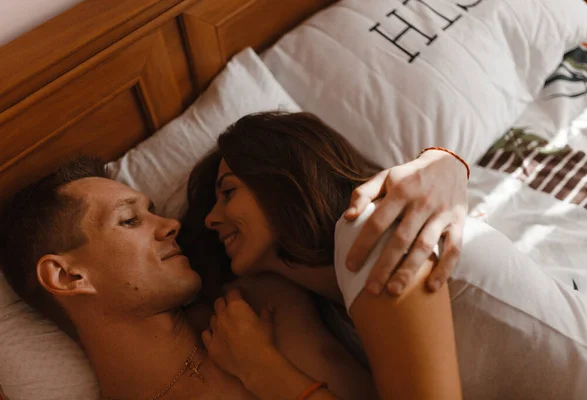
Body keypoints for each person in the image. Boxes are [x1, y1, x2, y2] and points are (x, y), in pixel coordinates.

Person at [0, 144, 467, 400]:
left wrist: (446, 162)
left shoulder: (256, 306)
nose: (171, 225)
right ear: (67, 277)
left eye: (154, 211)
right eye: (129, 220)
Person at [181, 112, 469, 399]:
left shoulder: (366, 230)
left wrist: (259, 368)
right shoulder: (336, 314)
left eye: (229, 192)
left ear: (282, 180)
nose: (210, 219)